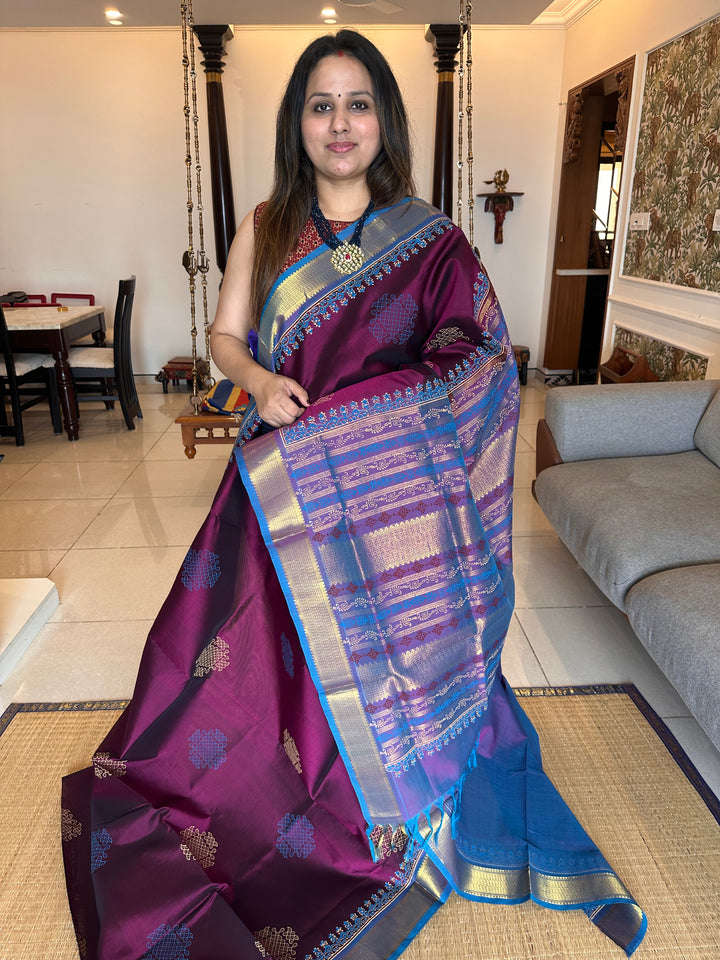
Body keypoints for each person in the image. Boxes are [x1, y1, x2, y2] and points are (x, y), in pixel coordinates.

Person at [61, 30, 646, 960]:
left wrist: (361, 421)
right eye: (322, 105)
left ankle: (393, 809)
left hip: (393, 515)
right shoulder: (267, 221)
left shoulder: (435, 242)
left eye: (359, 103)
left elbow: (482, 362)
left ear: (386, 119)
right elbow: (225, 340)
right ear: (299, 121)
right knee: (237, 680)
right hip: (282, 492)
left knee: (385, 667)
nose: (341, 123)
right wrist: (256, 385)